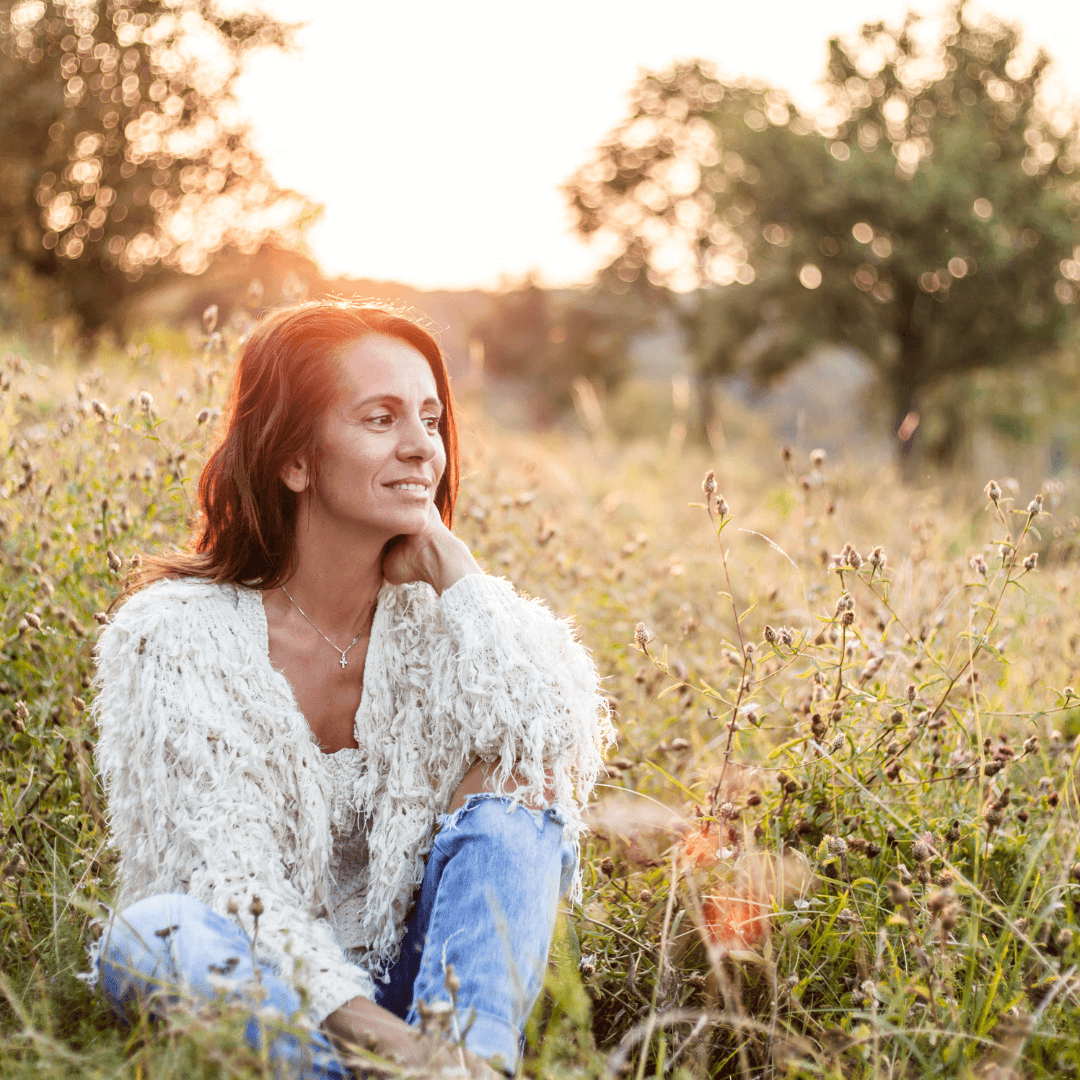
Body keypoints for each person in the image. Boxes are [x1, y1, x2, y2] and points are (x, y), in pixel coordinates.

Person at [91, 301, 614, 1077]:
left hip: (433, 996)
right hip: (266, 988)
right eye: (380, 419)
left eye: (431, 421)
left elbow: (557, 743)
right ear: (295, 459)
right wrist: (400, 1046)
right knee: (154, 933)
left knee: (522, 779)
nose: (420, 449)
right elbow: (230, 883)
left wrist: (456, 572)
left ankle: (475, 1062)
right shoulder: (170, 634)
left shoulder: (447, 622)